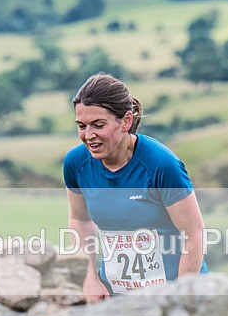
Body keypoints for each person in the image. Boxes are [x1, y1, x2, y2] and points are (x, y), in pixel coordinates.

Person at [63, 72, 208, 301]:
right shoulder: (75, 164)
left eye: (98, 125)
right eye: (81, 126)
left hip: (175, 292)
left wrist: (177, 298)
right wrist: (89, 278)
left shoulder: (162, 164)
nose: (88, 135)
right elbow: (80, 220)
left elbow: (194, 234)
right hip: (116, 297)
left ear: (126, 121)